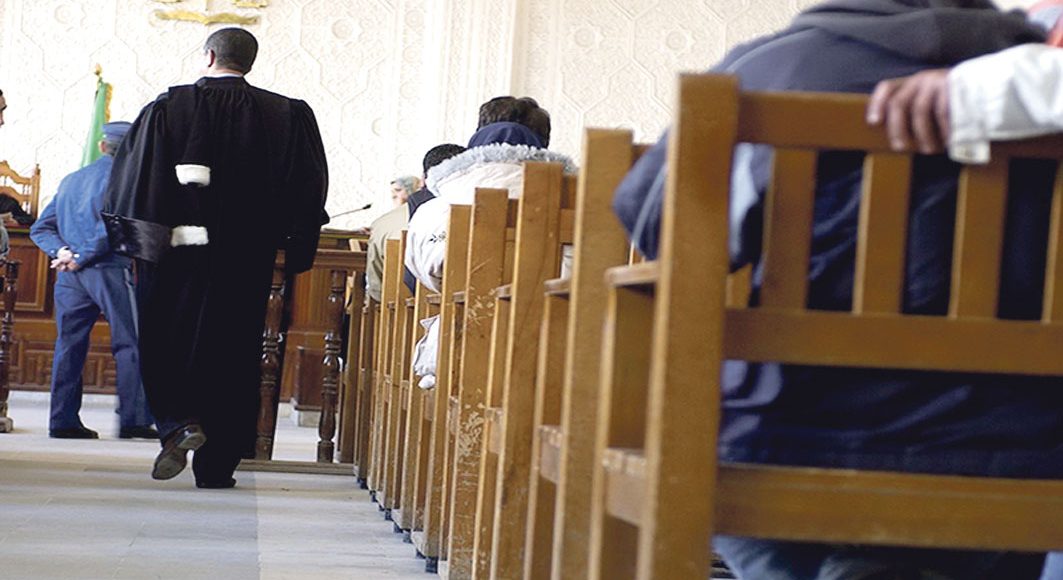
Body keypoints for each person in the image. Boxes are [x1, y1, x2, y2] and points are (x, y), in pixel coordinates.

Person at [612, 1, 1059, 577]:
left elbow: (659, 227)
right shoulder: (1030, 69)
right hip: (1019, 444)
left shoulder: (772, 67)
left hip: (792, 432)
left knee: (746, 511)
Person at [103, 28, 329, 489]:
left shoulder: (166, 110)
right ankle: (217, 467)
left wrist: (140, 246)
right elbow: (308, 188)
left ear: (208, 56)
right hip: (246, 258)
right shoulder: (287, 114)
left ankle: (178, 424)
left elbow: (136, 184)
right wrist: (292, 243)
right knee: (234, 352)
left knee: (168, 339)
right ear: (250, 61)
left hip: (176, 258)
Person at [29, 122, 156, 440]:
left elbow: (40, 228)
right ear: (132, 150)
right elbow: (112, 229)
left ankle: (62, 421)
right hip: (109, 270)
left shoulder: (71, 179)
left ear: (102, 147)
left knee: (68, 344)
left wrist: (63, 252)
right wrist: (80, 256)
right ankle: (133, 420)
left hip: (69, 276)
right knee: (130, 343)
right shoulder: (128, 181)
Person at [366, 144, 465, 303]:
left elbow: (377, 290)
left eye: (399, 191)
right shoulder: (478, 208)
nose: (397, 197)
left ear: (423, 180)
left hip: (400, 305)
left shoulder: (384, 223)